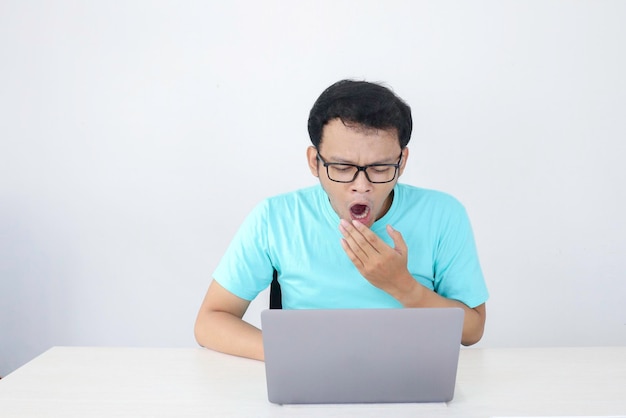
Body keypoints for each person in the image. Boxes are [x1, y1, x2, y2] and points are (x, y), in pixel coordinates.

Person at [194, 79, 489, 361]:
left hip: (413, 377)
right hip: (308, 379)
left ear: (402, 162)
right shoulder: (275, 218)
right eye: (343, 167)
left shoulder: (443, 214)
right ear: (315, 162)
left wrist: (402, 285)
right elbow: (210, 321)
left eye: (381, 167)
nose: (361, 185)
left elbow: (472, 330)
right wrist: (291, 356)